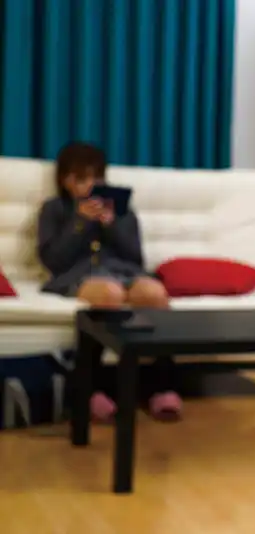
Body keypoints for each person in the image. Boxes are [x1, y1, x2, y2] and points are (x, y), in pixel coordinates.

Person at [37, 142, 182, 422]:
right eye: (82, 178)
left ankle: (162, 385)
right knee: (109, 294)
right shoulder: (54, 209)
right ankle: (92, 388)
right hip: (79, 275)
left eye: (96, 178)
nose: (90, 185)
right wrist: (80, 223)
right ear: (65, 180)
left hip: (125, 272)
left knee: (154, 293)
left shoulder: (121, 208)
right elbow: (53, 261)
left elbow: (135, 256)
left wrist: (112, 225)